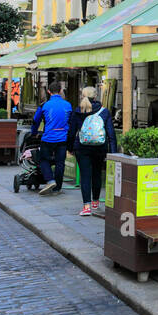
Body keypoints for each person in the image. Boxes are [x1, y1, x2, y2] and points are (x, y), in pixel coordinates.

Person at [69, 87, 117, 217]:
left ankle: (86, 207)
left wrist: (70, 148)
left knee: (85, 175)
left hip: (82, 148)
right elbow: (111, 134)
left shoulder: (78, 111)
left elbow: (72, 132)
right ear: (95, 97)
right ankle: (96, 202)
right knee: (96, 173)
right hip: (100, 148)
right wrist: (113, 153)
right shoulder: (104, 111)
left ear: (82, 96)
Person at [31, 83, 72, 196]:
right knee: (60, 163)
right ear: (60, 91)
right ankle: (57, 188)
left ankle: (50, 180)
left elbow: (36, 120)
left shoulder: (45, 105)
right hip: (63, 138)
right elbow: (71, 122)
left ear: (49, 91)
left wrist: (34, 133)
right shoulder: (68, 105)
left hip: (48, 137)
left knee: (43, 159)